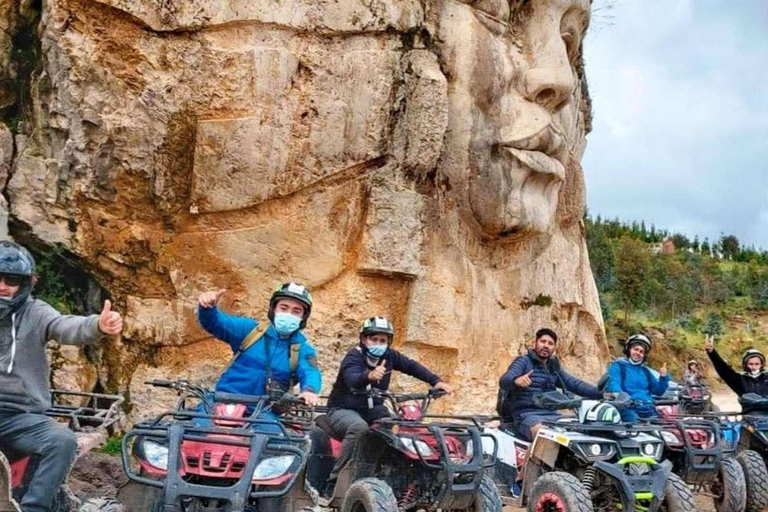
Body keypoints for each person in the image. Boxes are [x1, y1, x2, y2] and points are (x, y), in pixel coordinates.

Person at [0, 241, 123, 512]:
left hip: (23, 416)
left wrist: (98, 325)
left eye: (11, 280)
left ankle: (34, 508)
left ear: (27, 283)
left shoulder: (36, 311)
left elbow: (65, 326)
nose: (2, 286)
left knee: (63, 441)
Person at [323, 316, 454, 493]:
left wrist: (436, 381)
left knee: (399, 425)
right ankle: (335, 481)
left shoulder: (389, 356)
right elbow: (351, 378)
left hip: (373, 409)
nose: (378, 343)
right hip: (343, 409)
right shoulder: (354, 356)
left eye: (383, 340)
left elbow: (412, 367)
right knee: (358, 427)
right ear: (364, 339)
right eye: (374, 339)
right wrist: (368, 376)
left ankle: (388, 473)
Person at [196, 283, 321, 428]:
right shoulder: (250, 330)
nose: (289, 314)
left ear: (303, 317)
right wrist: (208, 308)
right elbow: (216, 323)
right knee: (192, 432)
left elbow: (311, 371)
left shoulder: (302, 349)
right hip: (221, 400)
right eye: (284, 308)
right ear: (273, 309)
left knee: (274, 442)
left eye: (296, 311)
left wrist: (309, 391)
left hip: (263, 412)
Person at [499, 328, 602, 442]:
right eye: (543, 341)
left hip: (552, 414)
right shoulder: (524, 361)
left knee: (585, 433)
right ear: (534, 343)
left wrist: (602, 393)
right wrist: (515, 380)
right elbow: (505, 380)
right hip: (526, 415)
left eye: (550, 343)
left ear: (554, 349)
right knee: (545, 437)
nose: (546, 346)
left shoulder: (553, 368)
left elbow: (575, 384)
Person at [604, 334, 669, 422]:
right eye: (636, 349)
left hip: (647, 408)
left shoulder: (645, 371)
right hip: (628, 408)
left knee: (663, 428)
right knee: (633, 426)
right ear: (629, 349)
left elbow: (658, 391)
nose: (638, 353)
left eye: (642, 351)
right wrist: (622, 398)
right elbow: (614, 384)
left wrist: (663, 377)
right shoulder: (618, 366)